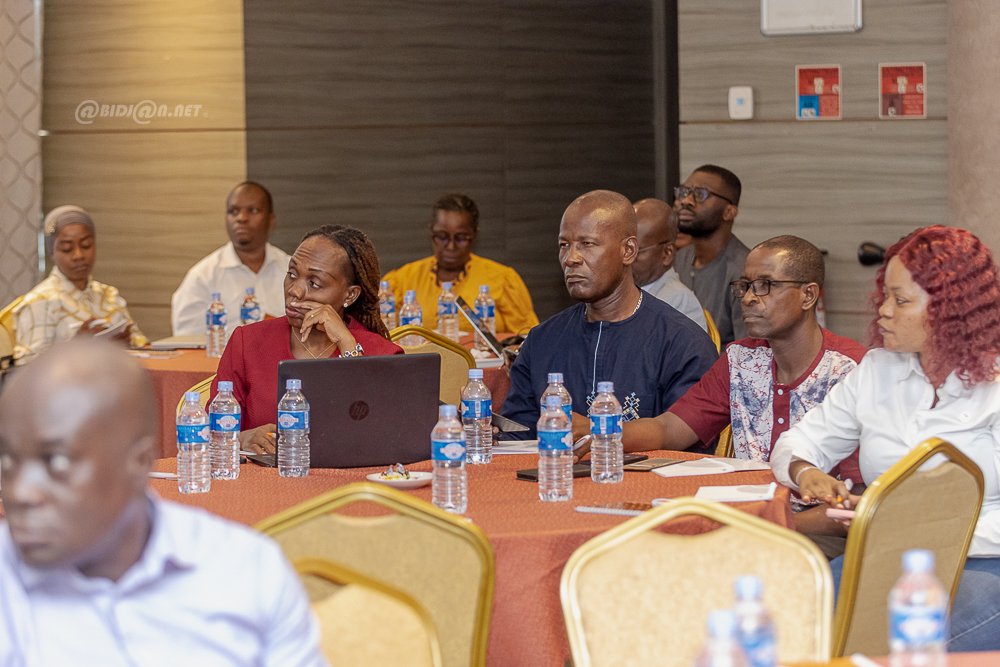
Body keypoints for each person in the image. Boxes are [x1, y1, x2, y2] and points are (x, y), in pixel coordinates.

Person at [0, 338, 325, 665]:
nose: (20, 492)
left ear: (139, 463)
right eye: (6, 462)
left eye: (56, 462)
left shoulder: (244, 572)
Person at [770, 226, 1000, 651]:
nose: (883, 312)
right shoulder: (878, 369)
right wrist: (804, 471)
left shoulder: (994, 385)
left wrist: (908, 525)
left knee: (897, 639)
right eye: (884, 296)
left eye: (901, 300)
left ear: (952, 309)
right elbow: (799, 440)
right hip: (888, 552)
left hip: (983, 560)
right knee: (796, 620)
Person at [500, 190, 717, 438]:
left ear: (628, 251)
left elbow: (690, 444)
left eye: (587, 244)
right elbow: (517, 437)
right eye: (564, 245)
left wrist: (600, 434)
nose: (570, 259)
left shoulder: (682, 342)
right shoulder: (542, 341)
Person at [213, 225, 403, 454]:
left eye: (314, 283)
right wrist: (242, 438)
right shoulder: (248, 342)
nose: (295, 291)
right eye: (292, 274)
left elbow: (389, 435)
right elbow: (208, 433)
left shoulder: (384, 354)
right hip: (269, 475)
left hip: (355, 477)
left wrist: (347, 344)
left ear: (350, 295)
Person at [382, 193, 539, 335]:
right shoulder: (403, 279)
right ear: (431, 232)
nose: (451, 246)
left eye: (461, 238)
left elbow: (528, 337)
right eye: (442, 236)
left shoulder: (502, 279)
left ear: (474, 235)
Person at [13, 205, 147, 365]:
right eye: (67, 249)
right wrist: (76, 346)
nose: (78, 255)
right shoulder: (40, 301)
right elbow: (27, 368)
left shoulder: (109, 294)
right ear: (52, 253)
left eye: (86, 245)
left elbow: (143, 345)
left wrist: (126, 344)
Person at [171, 181, 291, 337]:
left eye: (253, 210)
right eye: (233, 211)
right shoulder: (202, 277)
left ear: (271, 220)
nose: (241, 218)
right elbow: (186, 338)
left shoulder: (292, 270)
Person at [673, 164, 750, 346]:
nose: (686, 201)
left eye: (701, 194)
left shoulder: (744, 271)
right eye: (684, 192)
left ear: (729, 212)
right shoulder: (679, 258)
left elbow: (748, 352)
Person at [631, 198, 707, 331]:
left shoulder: (680, 301)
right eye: (622, 248)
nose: (625, 257)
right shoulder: (619, 294)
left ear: (667, 253)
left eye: (636, 250)